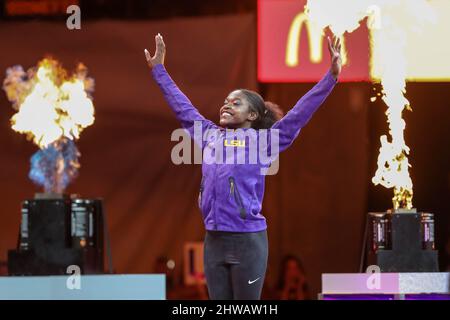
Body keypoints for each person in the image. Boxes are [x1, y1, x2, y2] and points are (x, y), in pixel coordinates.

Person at [145, 33, 342, 300]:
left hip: (248, 242)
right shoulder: (210, 135)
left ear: (252, 115)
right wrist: (159, 70)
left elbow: (299, 115)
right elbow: (183, 109)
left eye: (236, 102)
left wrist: (330, 78)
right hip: (213, 240)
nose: (227, 104)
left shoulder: (263, 142)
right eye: (226, 100)